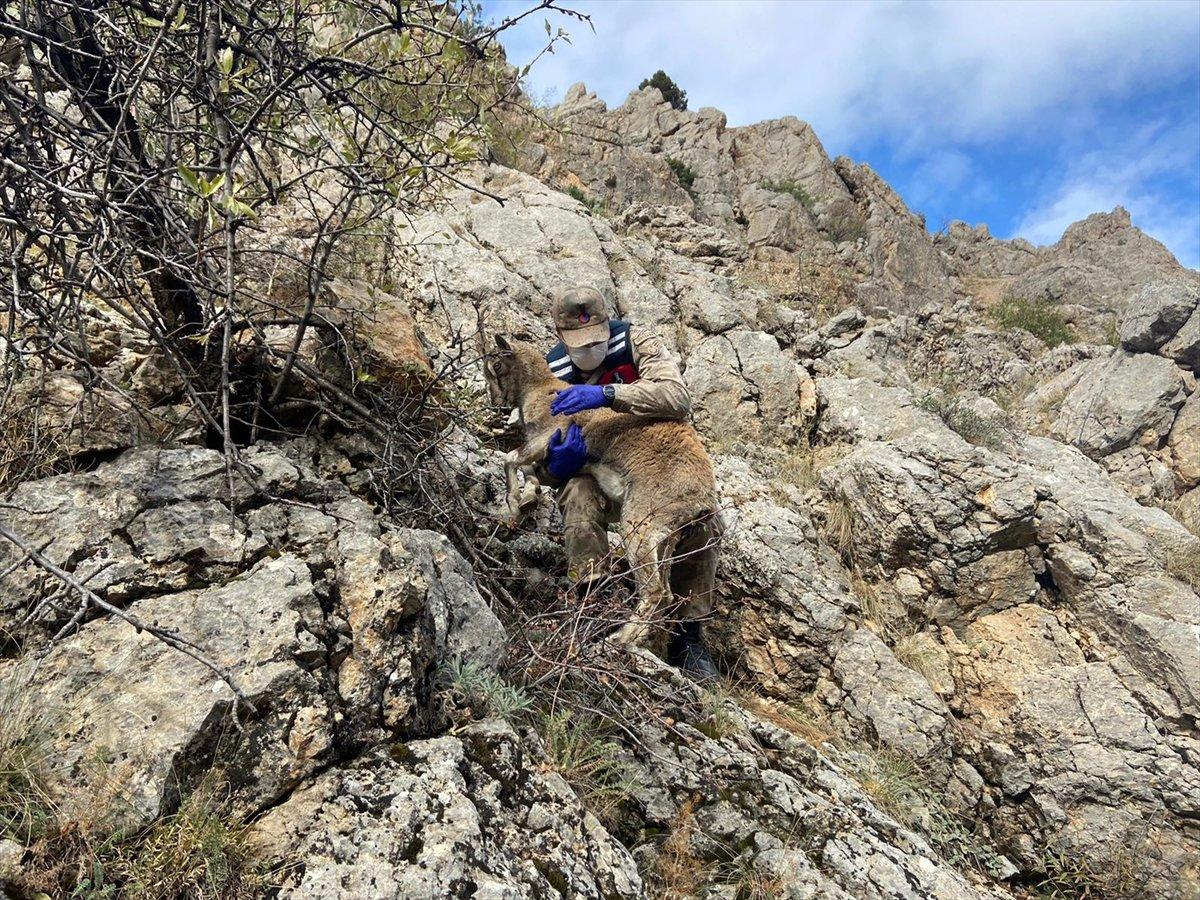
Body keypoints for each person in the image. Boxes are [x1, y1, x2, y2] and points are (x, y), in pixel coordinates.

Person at [542, 285, 720, 681]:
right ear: (559, 336)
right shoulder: (551, 375)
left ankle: (686, 634)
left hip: (660, 464)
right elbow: (537, 452)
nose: (589, 349)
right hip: (602, 473)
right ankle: (595, 603)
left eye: (596, 340)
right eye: (578, 343)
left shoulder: (639, 343)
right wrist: (555, 466)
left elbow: (677, 397)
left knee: (699, 517)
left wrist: (608, 394)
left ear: (608, 324)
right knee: (577, 490)